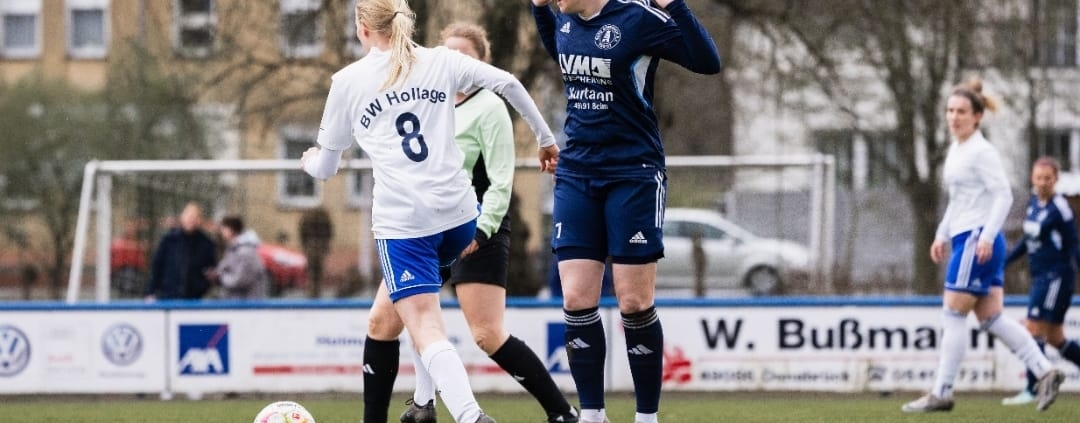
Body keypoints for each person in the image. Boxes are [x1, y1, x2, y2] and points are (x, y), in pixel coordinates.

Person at [300, 2, 558, 423]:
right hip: (459, 218)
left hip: (406, 224)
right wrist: (546, 139)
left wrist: (309, 160)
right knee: (388, 319)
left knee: (423, 323)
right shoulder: (441, 61)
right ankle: (423, 403)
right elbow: (509, 83)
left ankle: (471, 416)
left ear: (362, 27)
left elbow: (327, 169)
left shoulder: (348, 81)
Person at [359, 22, 579, 423]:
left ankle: (562, 413)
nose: (455, 61)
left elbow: (501, 182)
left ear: (481, 63)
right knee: (387, 320)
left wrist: (480, 229)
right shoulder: (429, 100)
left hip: (477, 228)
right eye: (449, 53)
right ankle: (423, 405)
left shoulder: (490, 107)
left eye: (465, 55)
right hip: (424, 228)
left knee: (486, 334)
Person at [529, 1, 721, 422]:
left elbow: (708, 62)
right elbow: (558, 46)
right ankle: (593, 415)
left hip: (633, 173)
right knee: (576, 297)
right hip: (577, 172)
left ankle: (646, 417)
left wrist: (674, 6)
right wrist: (538, 9)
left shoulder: (637, 19)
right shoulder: (563, 18)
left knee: (633, 301)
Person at [901, 79, 1065, 413]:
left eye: (961, 111)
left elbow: (1003, 195)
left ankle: (942, 392)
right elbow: (959, 199)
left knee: (953, 314)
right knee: (991, 318)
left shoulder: (981, 151)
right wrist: (942, 233)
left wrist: (987, 237)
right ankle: (1045, 371)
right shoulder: (957, 149)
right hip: (969, 238)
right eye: (950, 110)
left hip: (977, 240)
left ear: (977, 116)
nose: (953, 117)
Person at [1000, 156, 1080, 405]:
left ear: (1056, 180)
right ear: (1032, 179)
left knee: (1033, 328)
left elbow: (1073, 245)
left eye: (1047, 178)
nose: (1042, 182)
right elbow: (1027, 240)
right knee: (1055, 337)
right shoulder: (1034, 203)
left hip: (1056, 276)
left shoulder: (1060, 208)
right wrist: (1004, 262)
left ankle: (1033, 389)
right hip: (1041, 276)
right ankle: (1036, 387)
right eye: (1038, 178)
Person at [144, 202, 218, 301]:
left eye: (195, 217)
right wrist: (150, 292)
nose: (191, 220)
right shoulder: (169, 240)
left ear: (200, 220)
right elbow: (157, 266)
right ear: (182, 217)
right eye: (189, 216)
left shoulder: (207, 244)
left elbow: (211, 271)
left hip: (194, 299)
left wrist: (201, 287)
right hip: (168, 297)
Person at [207, 215, 270, 300]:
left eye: (223, 228)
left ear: (230, 230)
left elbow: (240, 279)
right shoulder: (233, 249)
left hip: (245, 303)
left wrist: (220, 278)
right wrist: (217, 273)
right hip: (235, 300)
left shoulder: (245, 252)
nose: (221, 232)